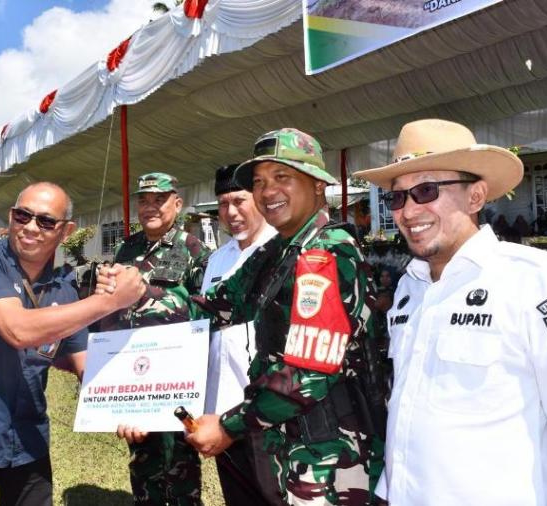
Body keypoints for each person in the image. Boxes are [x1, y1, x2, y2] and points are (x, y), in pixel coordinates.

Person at [108, 129, 384, 505]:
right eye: (259, 182)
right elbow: (216, 305)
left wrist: (227, 425)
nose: (268, 191)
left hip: (329, 459)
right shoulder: (280, 251)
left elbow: (307, 374)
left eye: (282, 177)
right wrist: (141, 297)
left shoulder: (326, 253)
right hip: (285, 445)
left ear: (319, 186)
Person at [353, 118, 547, 506]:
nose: (409, 211)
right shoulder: (409, 289)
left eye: (426, 190)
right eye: (397, 197)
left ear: (476, 197)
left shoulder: (536, 280)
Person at [0, 182, 145, 506]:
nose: (31, 227)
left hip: (27, 442)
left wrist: (131, 406)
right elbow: (17, 329)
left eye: (46, 221)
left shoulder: (63, 293)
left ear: (66, 231)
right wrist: (107, 302)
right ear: (11, 217)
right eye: (23, 216)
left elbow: (85, 363)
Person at [100, 172, 211, 506]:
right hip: (136, 370)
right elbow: (114, 307)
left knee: (180, 458)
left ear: (176, 203)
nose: (150, 207)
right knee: (143, 455)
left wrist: (153, 295)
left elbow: (206, 309)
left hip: (177, 371)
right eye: (143, 200)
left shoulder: (194, 249)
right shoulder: (127, 248)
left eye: (158, 199)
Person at [200, 164, 276, 506]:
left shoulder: (283, 252)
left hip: (269, 413)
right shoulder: (217, 260)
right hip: (222, 410)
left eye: (240, 201)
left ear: (259, 197)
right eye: (223, 203)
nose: (231, 213)